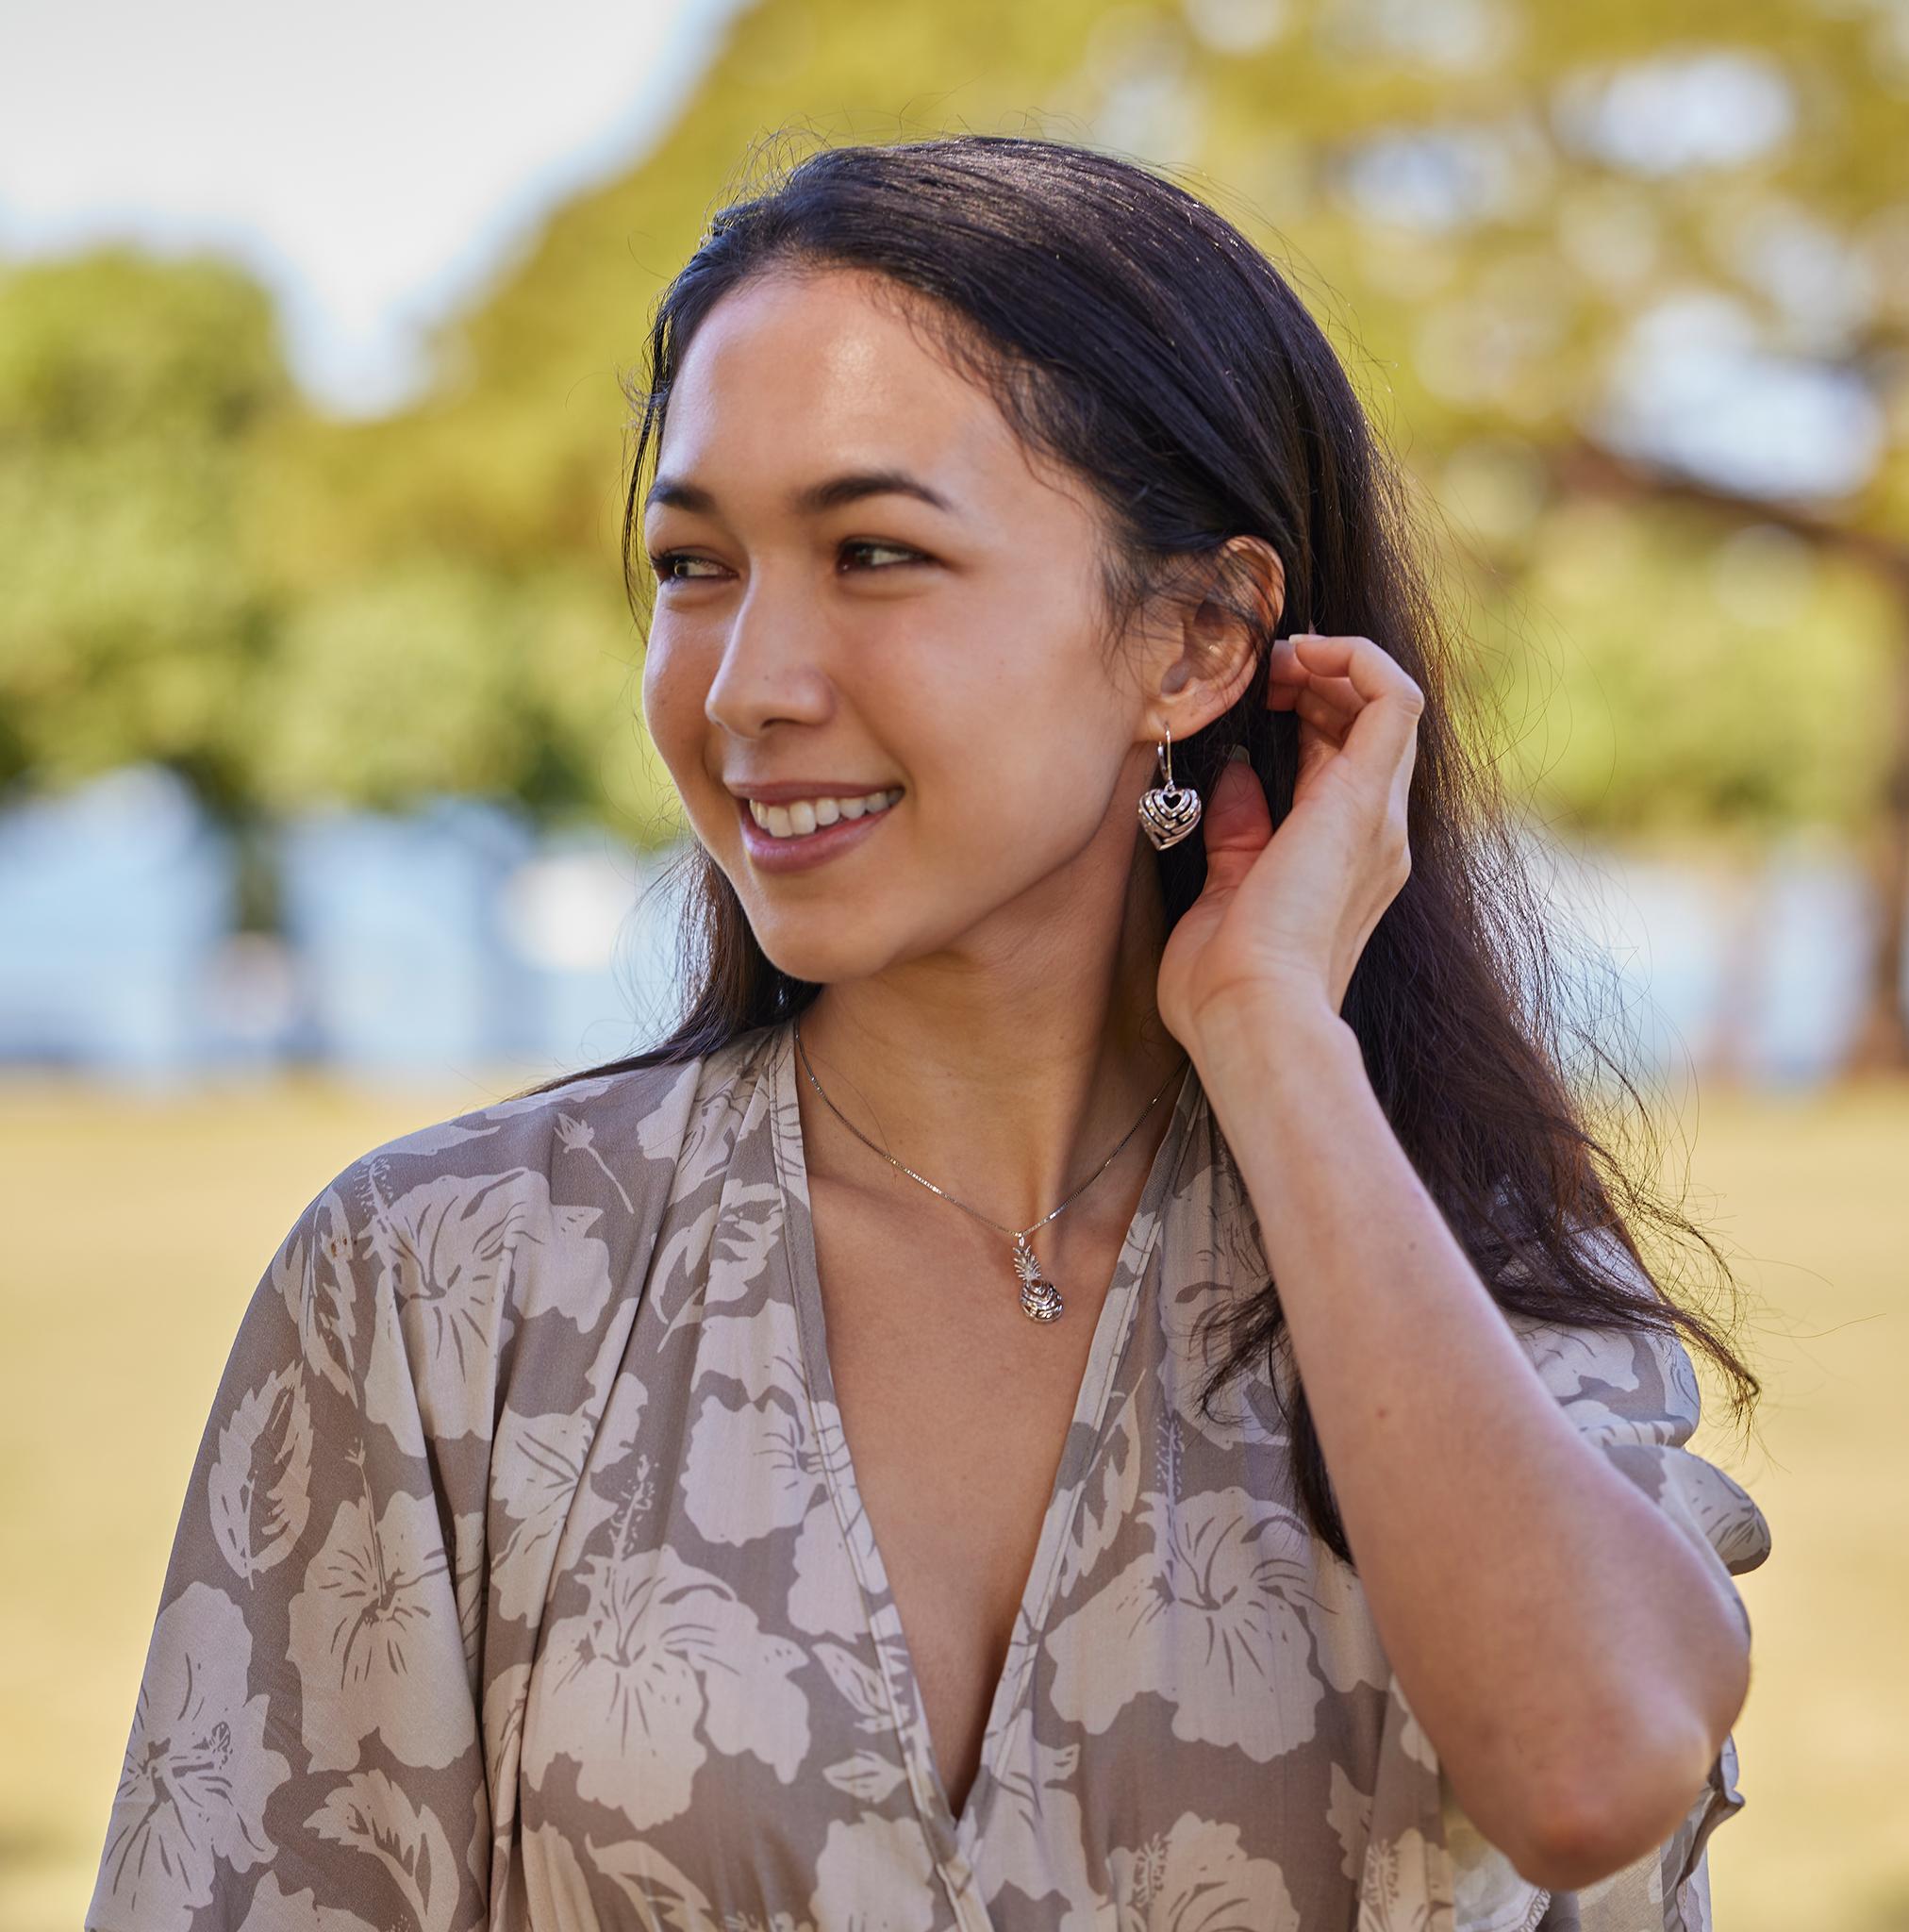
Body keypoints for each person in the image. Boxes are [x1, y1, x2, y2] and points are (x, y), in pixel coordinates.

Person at [91, 136, 1768, 1932]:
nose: (747, 685)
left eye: (875, 551)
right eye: (695, 565)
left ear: (1195, 641)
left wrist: (1274, 1033)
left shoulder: (1462, 1275)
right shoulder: (452, 1287)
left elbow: (1588, 1771)